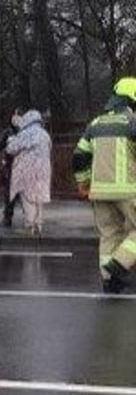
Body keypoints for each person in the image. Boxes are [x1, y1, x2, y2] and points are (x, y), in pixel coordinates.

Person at [72, 78, 136, 294]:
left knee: (109, 234)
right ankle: (119, 265)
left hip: (99, 191)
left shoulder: (95, 124)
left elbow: (79, 156)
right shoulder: (132, 122)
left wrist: (84, 182)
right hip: (128, 190)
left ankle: (110, 281)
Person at [4, 109, 52, 235]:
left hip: (27, 171)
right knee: (38, 197)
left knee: (28, 197)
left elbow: (11, 149)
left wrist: (11, 140)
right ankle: (38, 224)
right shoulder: (45, 134)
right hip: (43, 171)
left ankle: (30, 225)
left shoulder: (26, 134)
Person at [0, 110, 19, 227]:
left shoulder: (26, 132)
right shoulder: (8, 132)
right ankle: (7, 217)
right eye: (14, 117)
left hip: (24, 165)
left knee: (26, 194)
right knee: (9, 193)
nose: (16, 120)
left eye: (18, 117)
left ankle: (32, 218)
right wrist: (1, 143)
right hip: (10, 165)